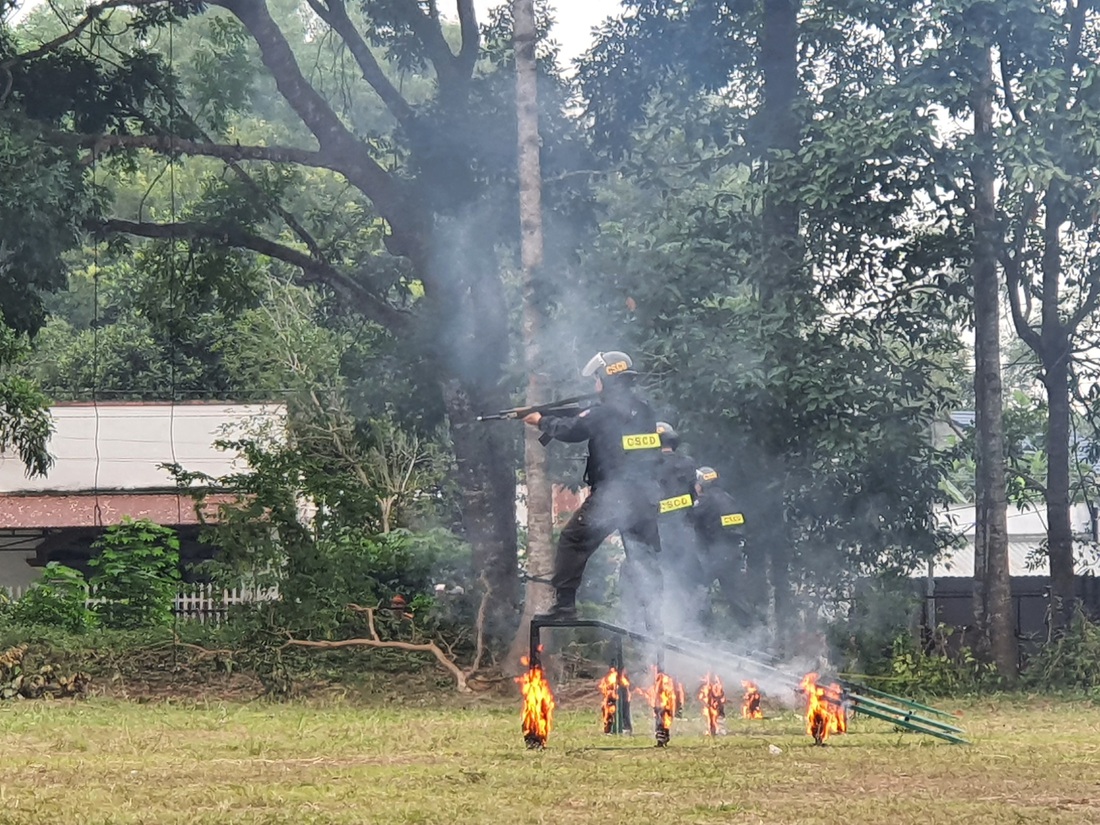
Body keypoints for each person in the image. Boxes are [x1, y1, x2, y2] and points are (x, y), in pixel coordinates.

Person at [523, 351, 664, 627]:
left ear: (607, 380)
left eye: (597, 379)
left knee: (572, 540)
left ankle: (564, 606)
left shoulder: (605, 412)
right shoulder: (644, 411)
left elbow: (572, 430)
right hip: (646, 496)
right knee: (643, 556)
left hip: (616, 495)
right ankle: (655, 618)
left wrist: (541, 420)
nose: (595, 385)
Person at [690, 466, 754, 626]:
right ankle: (753, 636)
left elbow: (689, 521)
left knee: (697, 588)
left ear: (700, 485)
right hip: (733, 554)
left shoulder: (704, 502)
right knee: (736, 597)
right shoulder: (728, 499)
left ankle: (701, 631)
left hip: (714, 554)